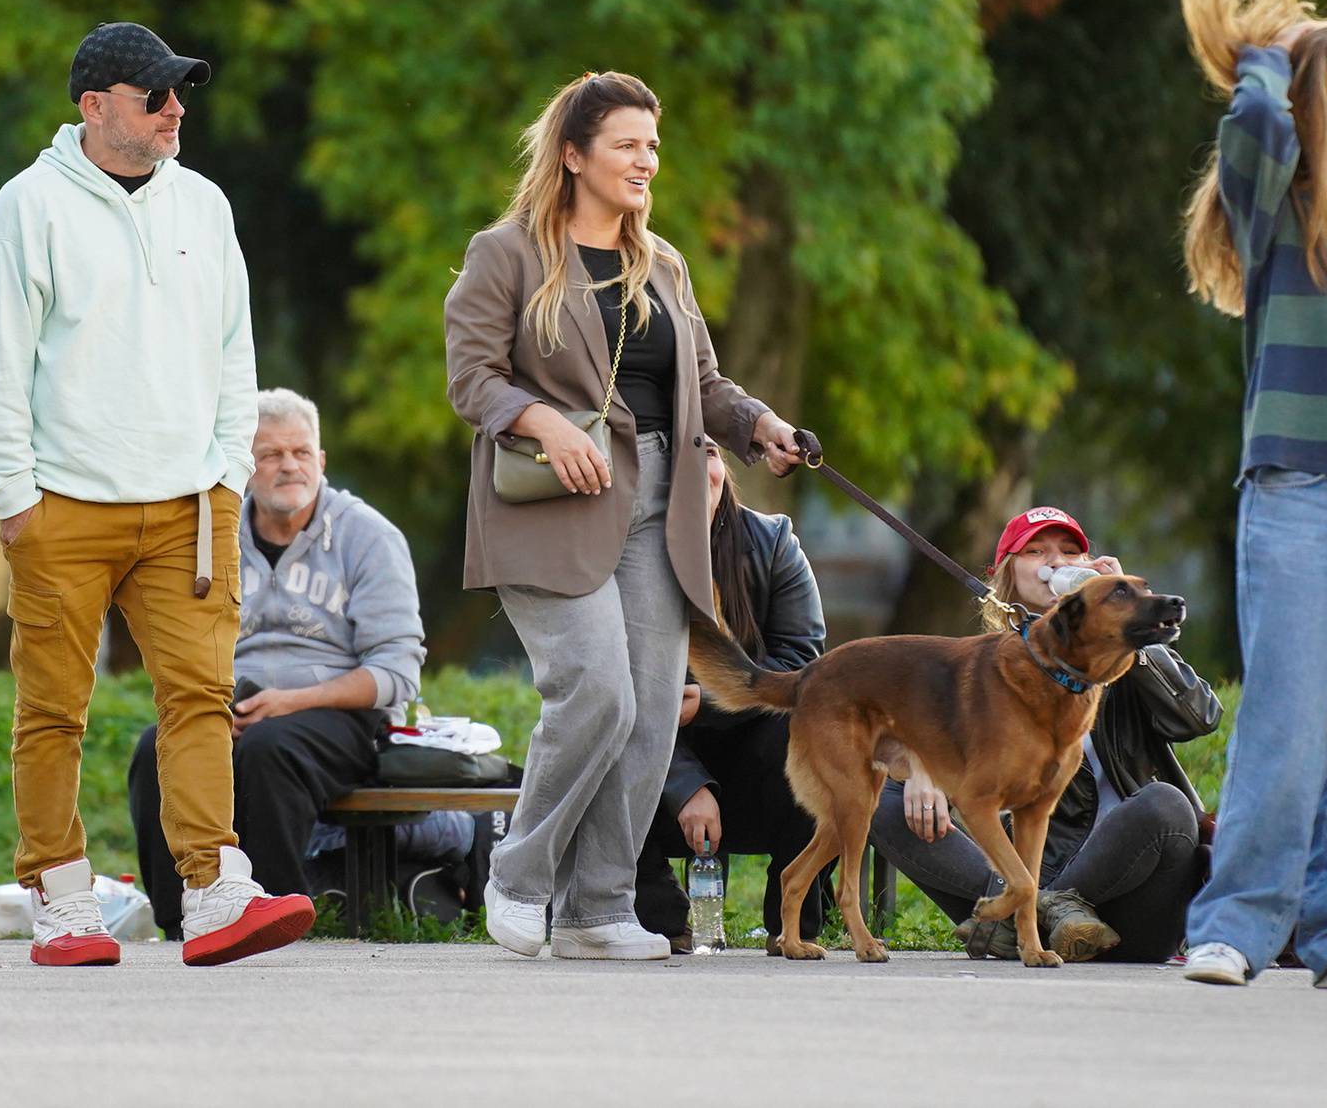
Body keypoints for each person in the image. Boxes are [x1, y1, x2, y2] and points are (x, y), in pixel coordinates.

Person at [0, 21, 313, 968]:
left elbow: (236, 349)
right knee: (53, 709)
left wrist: (227, 475)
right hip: (63, 506)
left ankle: (213, 890)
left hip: (191, 506)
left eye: (178, 94)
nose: (174, 109)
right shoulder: (24, 210)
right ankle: (63, 900)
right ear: (94, 106)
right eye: (154, 94)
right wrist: (16, 502)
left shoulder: (203, 205)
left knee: (199, 698)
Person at [443, 70, 807, 961]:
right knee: (596, 690)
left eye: (652, 145)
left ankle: (598, 912)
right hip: (550, 503)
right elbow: (471, 377)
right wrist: (534, 419)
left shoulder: (665, 264)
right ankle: (519, 877)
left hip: (660, 504)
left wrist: (758, 424)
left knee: (648, 710)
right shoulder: (508, 254)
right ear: (574, 156)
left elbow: (704, 386)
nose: (646, 161)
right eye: (626, 145)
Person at [1174, 0, 1327, 990]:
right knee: (1288, 725)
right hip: (1303, 493)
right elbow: (1251, 132)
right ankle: (1237, 924)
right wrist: (1274, 57)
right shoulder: (1282, 215)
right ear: (1318, 108)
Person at [127, 387, 427, 936]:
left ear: (322, 460)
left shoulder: (370, 538)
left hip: (339, 715)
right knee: (156, 747)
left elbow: (398, 670)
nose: (289, 466)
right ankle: (181, 924)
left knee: (270, 749)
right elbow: (175, 643)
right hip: (230, 703)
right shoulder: (206, 539)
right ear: (243, 466)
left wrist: (293, 702)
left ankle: (278, 918)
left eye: (302, 452)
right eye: (270, 455)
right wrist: (210, 704)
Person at [869, 507, 1221, 963]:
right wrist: (918, 765)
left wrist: (1136, 621)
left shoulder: (1121, 656)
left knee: (1166, 802)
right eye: (1036, 552)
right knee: (887, 797)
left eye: (1070, 552)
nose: (1055, 562)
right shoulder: (978, 672)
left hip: (1135, 901)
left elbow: (1200, 717)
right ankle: (1033, 909)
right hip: (1014, 884)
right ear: (1006, 577)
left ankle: (1037, 907)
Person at [633, 440, 828, 953]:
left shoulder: (774, 541)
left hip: (756, 761)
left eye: (711, 452)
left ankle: (792, 920)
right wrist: (686, 782)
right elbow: (615, 686)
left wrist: (709, 701)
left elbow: (803, 669)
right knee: (605, 726)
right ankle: (656, 918)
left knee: (806, 725)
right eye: (677, 454)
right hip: (653, 764)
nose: (700, 468)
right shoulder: (625, 554)